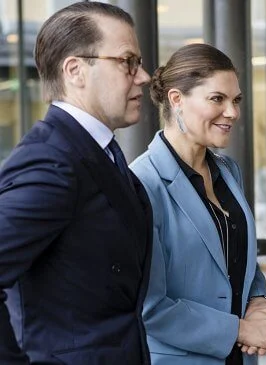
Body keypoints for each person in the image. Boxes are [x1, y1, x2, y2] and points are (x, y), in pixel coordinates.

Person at [0, 3, 153, 364]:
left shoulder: (95, 151)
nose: (143, 76)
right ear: (75, 71)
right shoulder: (53, 159)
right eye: (128, 61)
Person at [129, 43, 266, 365]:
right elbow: (149, 306)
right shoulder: (141, 183)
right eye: (217, 99)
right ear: (177, 100)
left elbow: (239, 257)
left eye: (236, 100)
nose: (233, 112)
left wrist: (257, 301)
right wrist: (241, 330)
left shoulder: (228, 171)